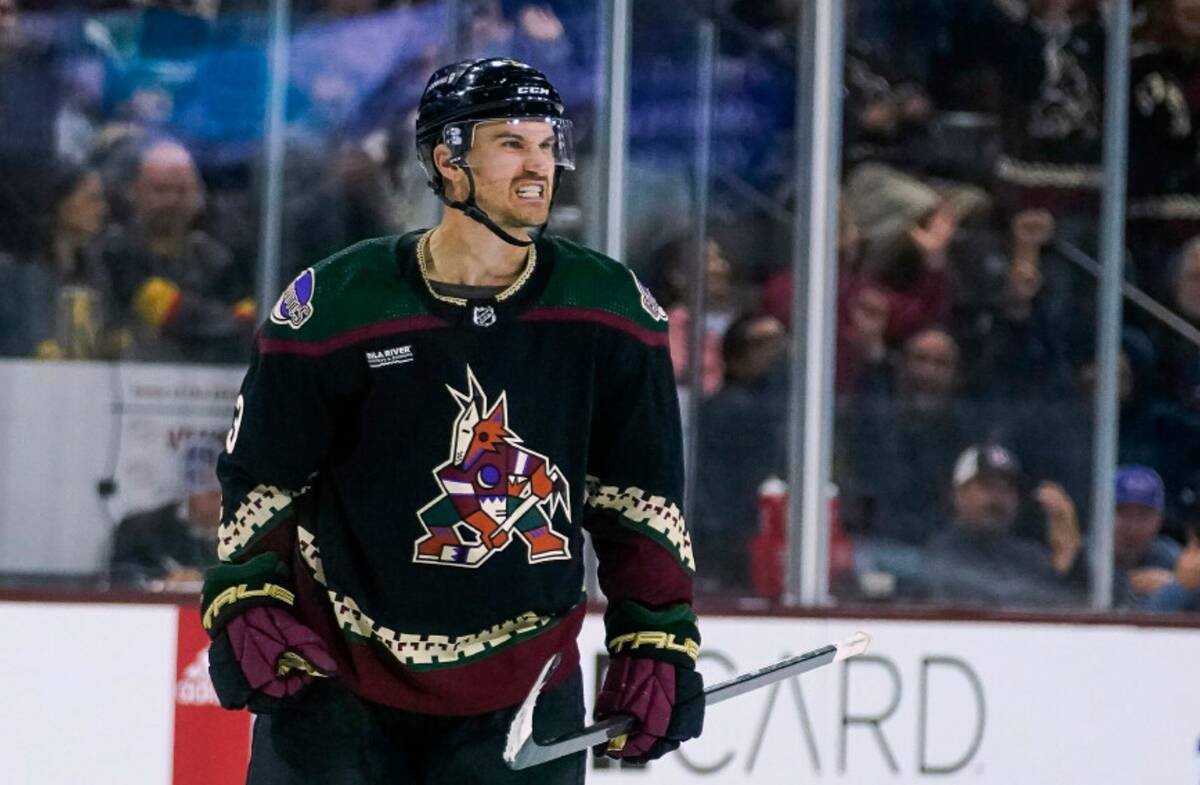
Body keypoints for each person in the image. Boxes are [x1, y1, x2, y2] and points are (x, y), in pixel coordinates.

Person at [201, 59, 703, 785]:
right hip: (337, 682)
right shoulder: (337, 304)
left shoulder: (610, 310)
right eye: (511, 144)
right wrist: (248, 592)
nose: (538, 167)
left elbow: (640, 498)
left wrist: (654, 633)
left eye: (546, 144)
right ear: (448, 160)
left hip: (523, 695)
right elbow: (261, 474)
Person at [99, 138, 255, 363]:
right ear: (135, 192)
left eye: (182, 191)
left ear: (198, 197)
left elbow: (245, 323)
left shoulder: (215, 258)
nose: (171, 201)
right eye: (160, 190)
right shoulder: (115, 252)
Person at [915, 443, 1086, 608]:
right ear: (958, 494)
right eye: (987, 487)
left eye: (1007, 489)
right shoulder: (941, 554)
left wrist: (1072, 561)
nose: (998, 498)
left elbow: (1070, 602)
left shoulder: (1030, 557)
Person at [109, 436, 223, 590]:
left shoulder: (246, 536)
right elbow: (120, 577)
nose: (215, 491)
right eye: (204, 480)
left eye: (222, 483)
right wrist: (161, 581)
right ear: (187, 484)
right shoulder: (140, 530)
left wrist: (203, 579)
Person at [1110, 465, 1200, 611]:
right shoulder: (1083, 556)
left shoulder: (1175, 559)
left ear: (1159, 520)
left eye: (1143, 515)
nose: (1133, 526)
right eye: (1122, 513)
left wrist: (1176, 584)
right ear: (1102, 513)